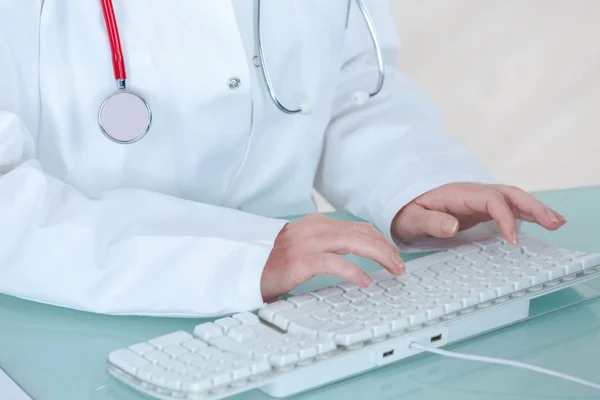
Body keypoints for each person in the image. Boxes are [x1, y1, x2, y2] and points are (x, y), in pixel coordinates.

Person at [0, 0, 565, 317]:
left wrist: (412, 177)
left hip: (305, 299)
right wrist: (238, 258)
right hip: (65, 312)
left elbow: (346, 88)